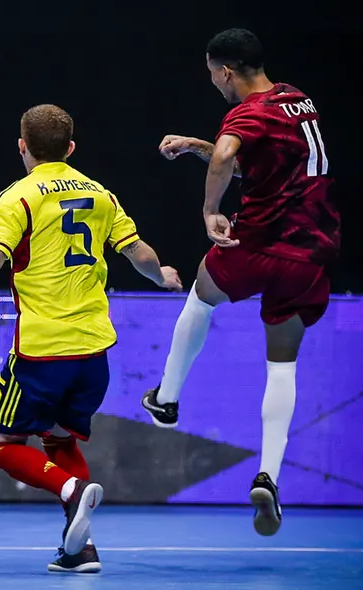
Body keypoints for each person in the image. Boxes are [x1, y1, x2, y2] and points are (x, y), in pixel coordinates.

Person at [0, 104, 182, 573]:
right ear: (70, 149)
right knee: (58, 440)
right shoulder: (101, 194)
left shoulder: (17, 198)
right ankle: (80, 551)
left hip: (41, 351)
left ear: (22, 146)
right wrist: (163, 277)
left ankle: (70, 491)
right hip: (94, 352)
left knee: (1, 444)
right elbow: (138, 252)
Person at [140, 28, 338, 537]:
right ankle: (269, 475)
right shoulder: (298, 101)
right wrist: (194, 146)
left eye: (212, 74)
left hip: (258, 244)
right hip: (311, 252)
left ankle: (167, 398)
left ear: (225, 70)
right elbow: (253, 161)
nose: (213, 83)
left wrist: (210, 211)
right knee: (283, 365)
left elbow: (230, 155)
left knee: (201, 298)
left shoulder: (243, 113)